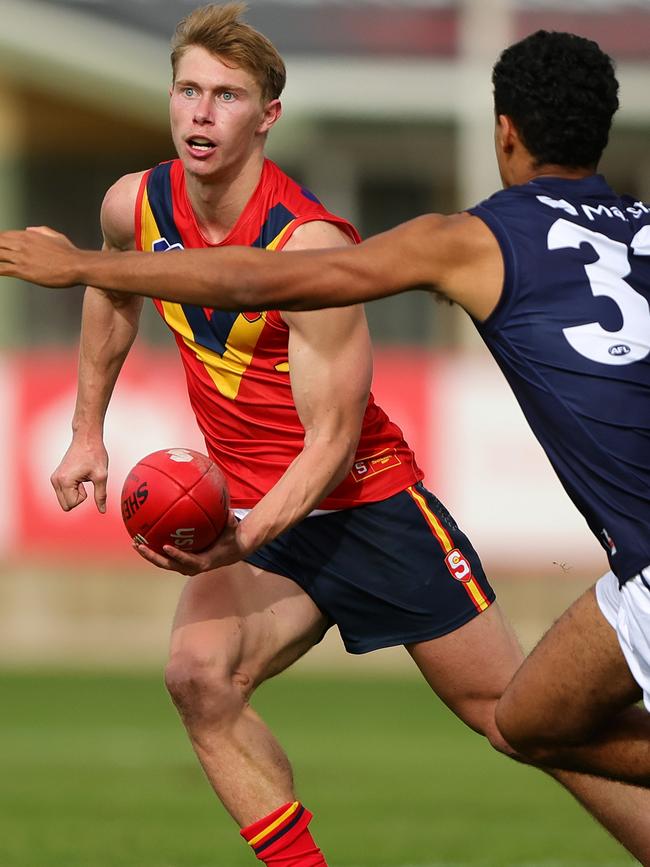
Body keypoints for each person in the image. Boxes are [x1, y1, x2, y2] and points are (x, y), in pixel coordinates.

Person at [3, 19, 650, 863]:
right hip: (260, 502)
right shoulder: (134, 204)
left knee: (513, 718)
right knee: (200, 677)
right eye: (188, 91)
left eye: (226, 96)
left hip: (364, 502)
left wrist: (246, 531)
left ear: (268, 116)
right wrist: (88, 428)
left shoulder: (330, 239)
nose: (201, 114)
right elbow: (119, 298)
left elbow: (330, 429)